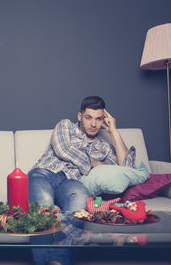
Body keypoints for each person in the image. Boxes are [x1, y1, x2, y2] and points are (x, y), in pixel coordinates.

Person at [28, 96, 136, 265]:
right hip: (44, 173)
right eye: (88, 117)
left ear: (103, 120)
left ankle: (58, 261)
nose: (93, 124)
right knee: (43, 209)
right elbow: (63, 150)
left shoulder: (103, 147)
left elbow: (126, 169)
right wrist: (94, 163)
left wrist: (114, 132)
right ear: (80, 116)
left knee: (78, 208)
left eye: (98, 119)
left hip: (71, 182)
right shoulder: (65, 126)